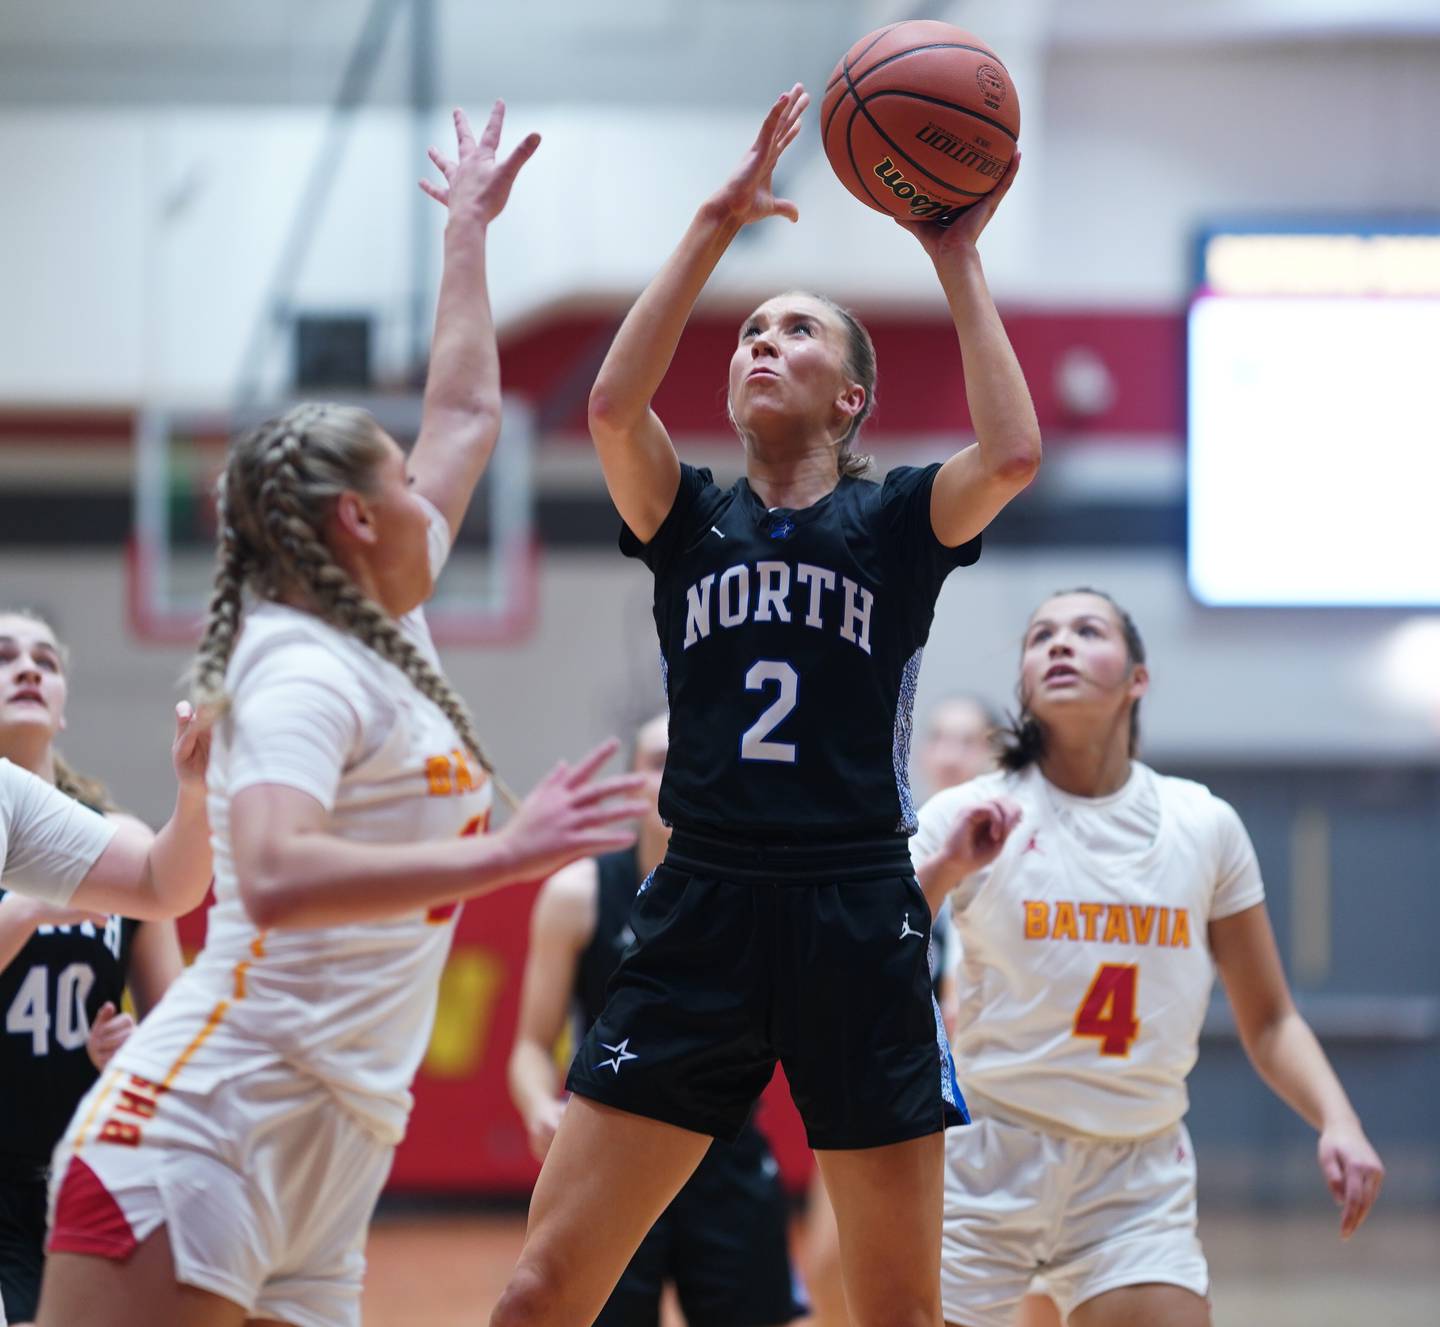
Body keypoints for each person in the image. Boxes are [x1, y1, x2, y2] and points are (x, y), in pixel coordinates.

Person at [36, 103, 646, 1327]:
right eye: (402, 485)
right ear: (359, 524)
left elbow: (469, 414)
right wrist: (508, 852)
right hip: (209, 1125)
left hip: (332, 1139)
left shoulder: (385, 623)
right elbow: (267, 871)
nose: (435, 497)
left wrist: (467, 232)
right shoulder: (300, 666)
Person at [488, 84, 1041, 1327]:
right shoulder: (688, 520)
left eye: (795, 333)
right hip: (703, 904)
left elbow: (1010, 454)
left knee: (897, 1311)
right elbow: (609, 410)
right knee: (537, 1290)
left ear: (851, 400)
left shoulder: (893, 522)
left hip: (856, 902)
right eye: (749, 335)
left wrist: (954, 256)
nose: (757, 343)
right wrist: (710, 228)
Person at [911, 588, 1385, 1327]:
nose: (1059, 644)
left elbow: (1269, 1020)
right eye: (1041, 636)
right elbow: (870, 951)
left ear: (1138, 677)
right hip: (986, 1158)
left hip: (1135, 1174)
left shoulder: (1204, 824)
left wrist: (1339, 1120)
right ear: (1025, 685)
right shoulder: (970, 812)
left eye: (1086, 630)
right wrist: (941, 869)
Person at [509, 711, 805, 1327]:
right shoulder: (577, 895)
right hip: (610, 1151)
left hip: (725, 1153)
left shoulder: (764, 896)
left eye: (690, 760)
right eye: (656, 762)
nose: (673, 777)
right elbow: (531, 1046)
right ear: (630, 783)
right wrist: (539, 1104)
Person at [0, 611, 186, 1327]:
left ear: (63, 705)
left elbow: (175, 1032)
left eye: (45, 659)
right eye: (6, 655)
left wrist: (141, 1051)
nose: (27, 669)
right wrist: (31, 909)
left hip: (93, 1171)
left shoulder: (123, 844)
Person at [807, 692, 1000, 1327]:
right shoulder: (895, 843)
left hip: (990, 1098)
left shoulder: (1017, 861)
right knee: (829, 1257)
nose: (948, 754)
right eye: (937, 737)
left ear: (997, 753)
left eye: (966, 740)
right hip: (881, 1081)